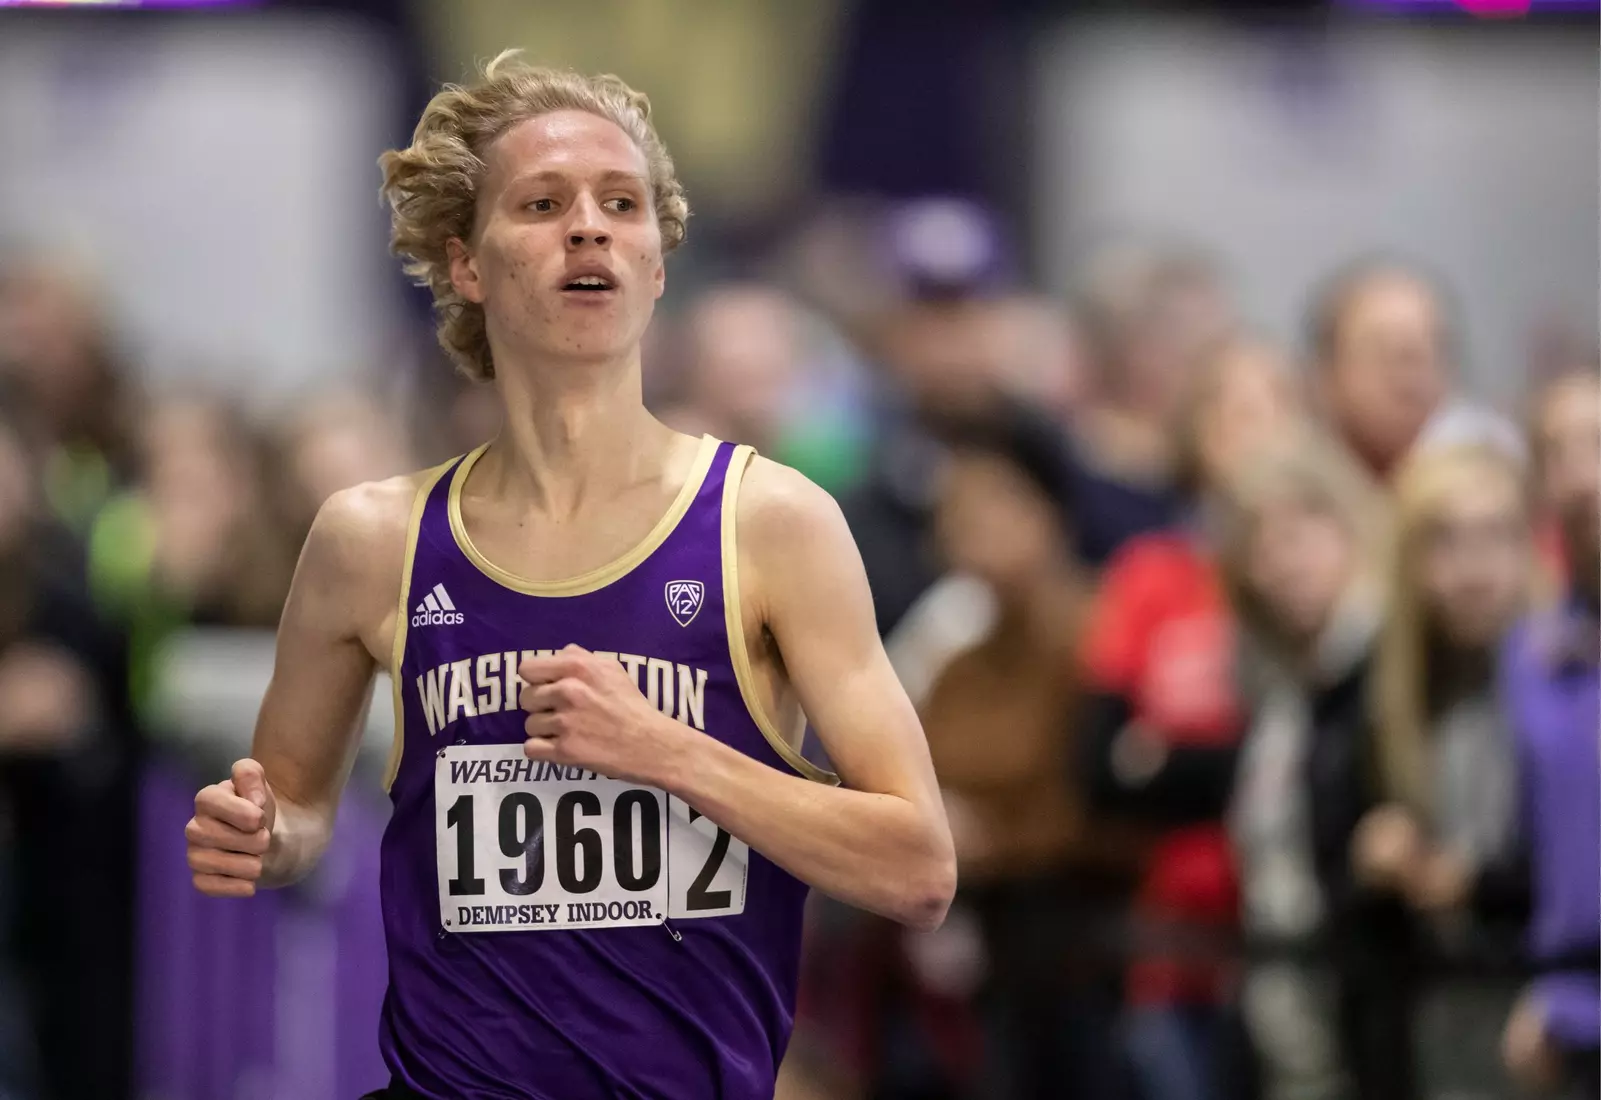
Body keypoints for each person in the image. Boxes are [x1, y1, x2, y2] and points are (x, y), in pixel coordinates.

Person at [182, 54, 955, 1100]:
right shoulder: (371, 539)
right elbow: (298, 807)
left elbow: (917, 868)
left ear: (657, 265)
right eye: (542, 204)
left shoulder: (771, 524)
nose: (588, 228)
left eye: (620, 204)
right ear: (466, 264)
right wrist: (265, 836)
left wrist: (664, 751)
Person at [1080, 337, 1301, 1100]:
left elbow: (1308, 758)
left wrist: (1169, 759)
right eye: (1230, 414)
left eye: (1272, 411)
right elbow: (1100, 770)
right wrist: (1233, 763)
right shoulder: (1151, 576)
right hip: (1172, 943)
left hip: (1295, 936)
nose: (1253, 435)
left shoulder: (1313, 580)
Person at [1354, 442, 1540, 1100]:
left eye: (1495, 536)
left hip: (1547, 1012)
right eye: (1446, 542)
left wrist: (1478, 885)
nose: (1474, 569)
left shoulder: (1568, 680)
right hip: (1444, 1017)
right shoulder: (1394, 697)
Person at [1218, 433, 1388, 1100]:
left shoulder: (1385, 665)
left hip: (1378, 992)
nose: (1280, 565)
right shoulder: (1281, 692)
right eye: (1258, 549)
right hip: (1292, 994)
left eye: (1296, 535)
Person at [1497, 370, 1600, 1099]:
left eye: (1597, 444)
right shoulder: (1530, 655)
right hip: (1570, 1027)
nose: (1583, 477)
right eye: (1556, 453)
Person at [1305, 257, 1521, 482]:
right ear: (1325, 375)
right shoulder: (1296, 491)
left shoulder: (1493, 476)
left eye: (1425, 353)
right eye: (1384, 352)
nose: (1409, 380)